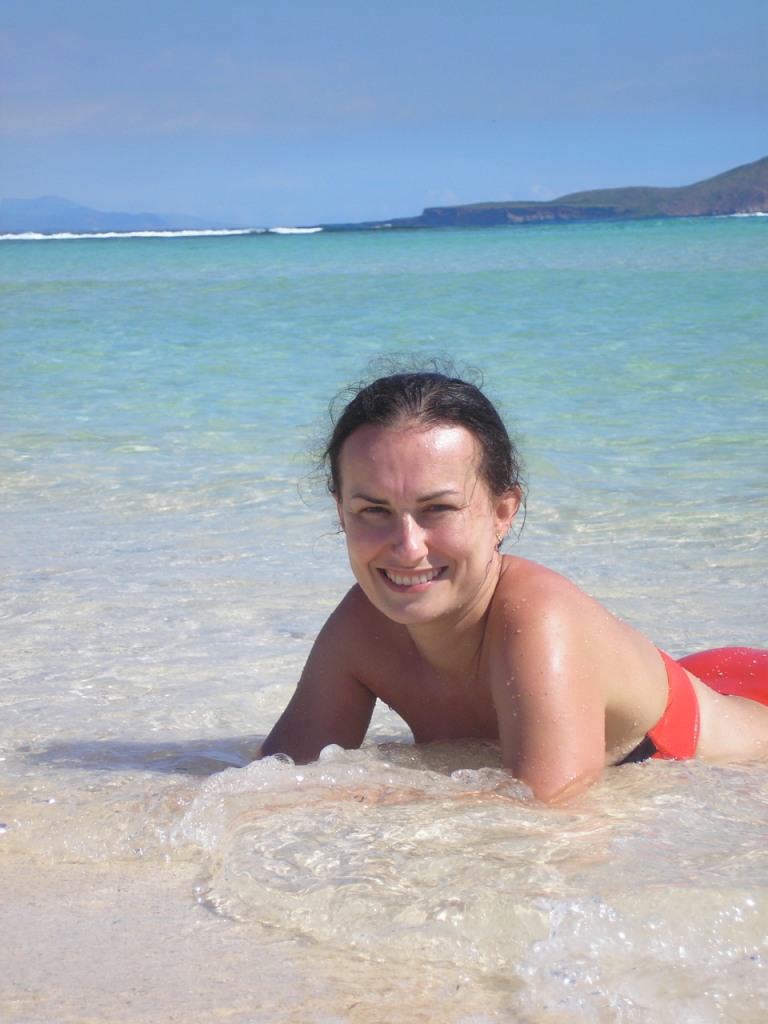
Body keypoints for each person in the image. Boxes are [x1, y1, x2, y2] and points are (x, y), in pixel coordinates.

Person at [261, 365, 768, 801]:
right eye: (374, 510)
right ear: (341, 513)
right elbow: (276, 782)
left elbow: (543, 824)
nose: (408, 547)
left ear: (503, 513)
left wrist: (369, 803)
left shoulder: (539, 621)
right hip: (705, 675)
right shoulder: (363, 626)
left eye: (438, 508)